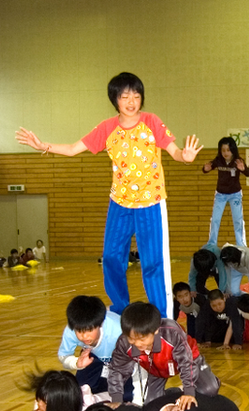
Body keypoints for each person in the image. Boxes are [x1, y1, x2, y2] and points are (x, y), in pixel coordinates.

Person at [16, 72, 202, 319]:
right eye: (125, 96)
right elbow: (73, 149)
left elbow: (175, 151)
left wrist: (186, 158)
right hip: (119, 204)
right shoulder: (107, 128)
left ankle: (163, 318)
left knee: (153, 263)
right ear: (115, 99)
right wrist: (44, 146)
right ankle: (119, 310)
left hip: (151, 203)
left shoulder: (151, 121)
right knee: (112, 258)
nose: (131, 101)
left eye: (136, 95)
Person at [108, 301, 220, 406]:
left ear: (155, 330)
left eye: (142, 339)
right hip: (156, 369)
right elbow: (118, 370)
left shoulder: (171, 332)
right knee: (152, 404)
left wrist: (189, 392)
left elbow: (186, 362)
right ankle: (175, 391)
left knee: (209, 390)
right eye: (131, 339)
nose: (137, 344)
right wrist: (116, 399)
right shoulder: (123, 342)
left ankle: (210, 380)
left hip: (190, 360)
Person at [57, 295, 135, 401]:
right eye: (79, 331)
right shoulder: (70, 331)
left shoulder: (120, 332)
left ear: (100, 324)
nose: (84, 337)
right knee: (79, 394)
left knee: (128, 396)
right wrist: (77, 363)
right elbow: (64, 356)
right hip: (95, 358)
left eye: (89, 330)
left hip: (124, 360)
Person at [202, 136, 249, 246]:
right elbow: (207, 168)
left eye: (228, 150)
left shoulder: (238, 161)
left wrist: (243, 169)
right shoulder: (218, 161)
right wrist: (205, 169)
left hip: (235, 194)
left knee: (238, 220)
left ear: (233, 150)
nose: (226, 153)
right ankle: (212, 243)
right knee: (215, 219)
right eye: (223, 150)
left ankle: (241, 244)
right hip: (220, 194)